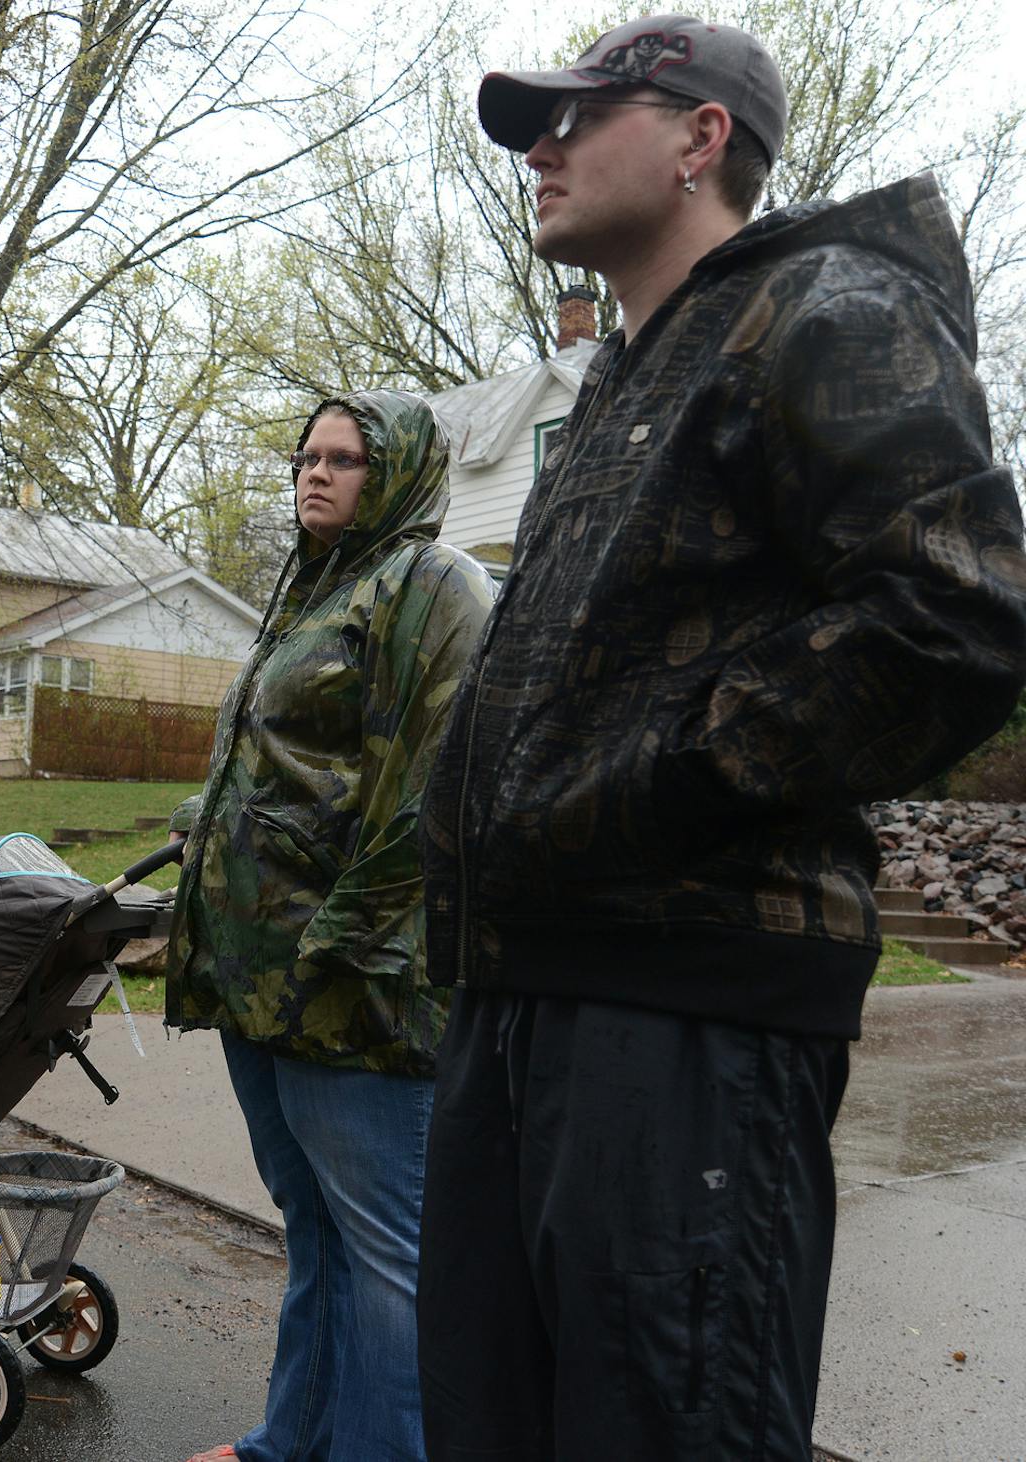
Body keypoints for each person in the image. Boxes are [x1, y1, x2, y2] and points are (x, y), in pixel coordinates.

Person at [417, 15, 1026, 1458]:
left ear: (702, 139)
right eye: (528, 125)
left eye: (578, 115)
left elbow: (957, 612)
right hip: (520, 995)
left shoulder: (826, 306)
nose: (539, 148)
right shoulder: (624, 378)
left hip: (685, 1016)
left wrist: (654, 780)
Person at [169, 390, 496, 1461]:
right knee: (313, 1231)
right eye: (306, 455)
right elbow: (292, 770)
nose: (315, 473)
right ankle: (288, 1444)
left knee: (387, 1256)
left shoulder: (432, 585)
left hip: (356, 987)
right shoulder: (316, 588)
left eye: (344, 458)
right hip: (260, 980)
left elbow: (431, 791)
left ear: (395, 471)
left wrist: (337, 948)